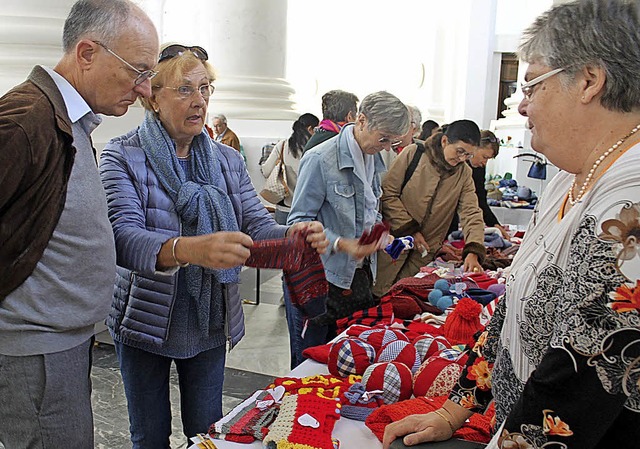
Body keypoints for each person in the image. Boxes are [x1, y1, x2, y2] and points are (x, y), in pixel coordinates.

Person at [383, 1, 640, 448]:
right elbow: (512, 307)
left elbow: (583, 375)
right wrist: (454, 408)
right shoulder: (569, 176)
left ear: (589, 80)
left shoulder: (630, 200)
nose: (520, 107)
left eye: (530, 86)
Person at [99, 44, 328, 448]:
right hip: (145, 318)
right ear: (152, 96)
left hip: (210, 318)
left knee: (208, 431)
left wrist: (295, 235)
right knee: (149, 434)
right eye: (185, 89)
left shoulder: (226, 159)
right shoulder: (122, 155)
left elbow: (255, 225)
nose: (200, 101)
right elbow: (123, 238)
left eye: (206, 89)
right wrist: (189, 250)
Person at [0, 1, 159, 448]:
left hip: (58, 346)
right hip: (32, 352)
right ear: (87, 53)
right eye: (138, 71)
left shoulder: (70, 122)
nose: (146, 90)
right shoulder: (24, 121)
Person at [286, 91, 410, 368]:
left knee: (347, 359)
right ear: (362, 120)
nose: (388, 147)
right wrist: (341, 243)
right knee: (310, 362)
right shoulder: (321, 158)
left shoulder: (373, 157)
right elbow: (297, 222)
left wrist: (380, 234)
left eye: (394, 141)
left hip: (355, 277)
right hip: (317, 277)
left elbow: (369, 209)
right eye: (384, 138)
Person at [372, 120, 486, 298]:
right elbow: (387, 194)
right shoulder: (414, 154)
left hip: (425, 250)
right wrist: (411, 231)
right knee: (377, 291)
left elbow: (471, 212)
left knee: (404, 297)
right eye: (460, 151)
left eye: (469, 155)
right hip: (395, 240)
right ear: (445, 141)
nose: (463, 159)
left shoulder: (464, 174)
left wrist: (473, 250)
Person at [448, 130, 511, 239]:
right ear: (474, 148)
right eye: (484, 157)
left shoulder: (479, 168)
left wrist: (495, 224)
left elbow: (479, 199)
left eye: (488, 159)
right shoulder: (455, 163)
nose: (485, 163)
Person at [260, 112, 320, 224]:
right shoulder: (317, 149)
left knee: (282, 240)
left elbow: (266, 171)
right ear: (310, 129)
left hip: (285, 208)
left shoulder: (282, 145)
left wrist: (264, 160)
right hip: (308, 210)